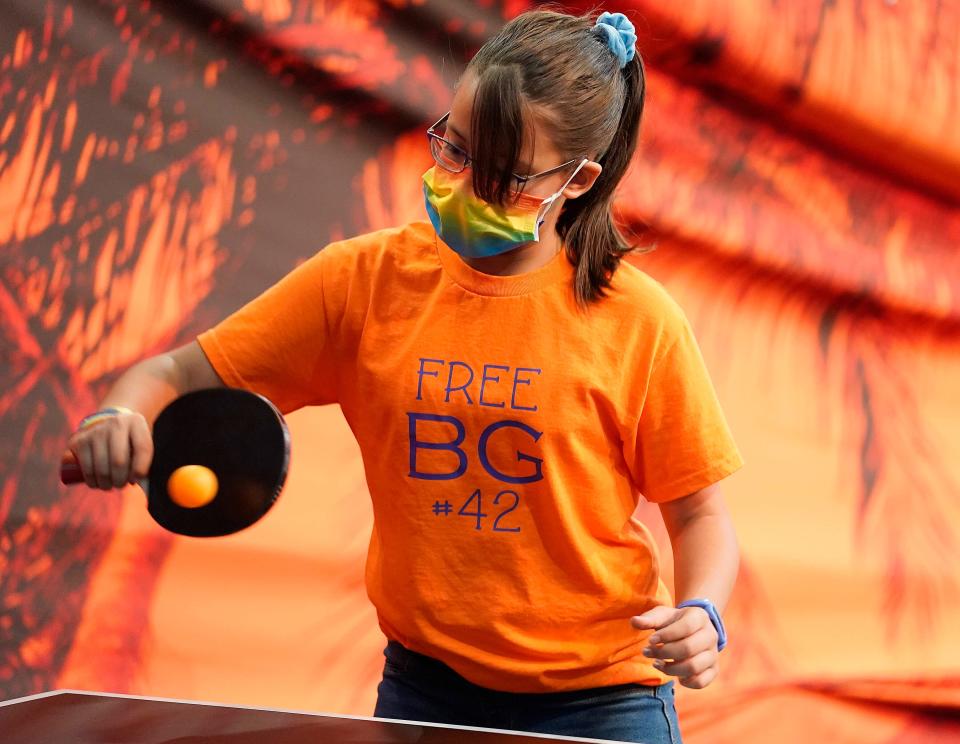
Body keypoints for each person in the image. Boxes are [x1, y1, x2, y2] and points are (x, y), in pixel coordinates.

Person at [66, 9, 743, 744]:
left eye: (503, 174)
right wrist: (118, 417)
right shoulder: (360, 284)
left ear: (577, 181)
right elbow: (172, 373)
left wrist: (702, 611)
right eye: (454, 148)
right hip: (427, 692)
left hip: (604, 705)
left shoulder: (638, 320)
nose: (462, 182)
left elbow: (700, 514)